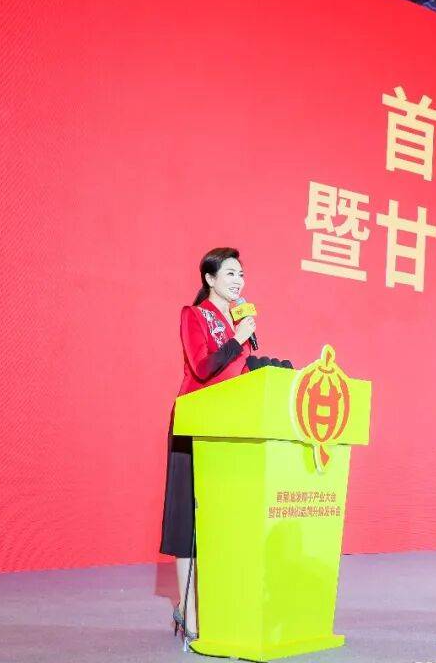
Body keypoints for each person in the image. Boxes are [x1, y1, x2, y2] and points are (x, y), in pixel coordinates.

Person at [160, 247, 256, 649]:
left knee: (223, 516)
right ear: (210, 279)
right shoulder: (194, 315)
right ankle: (188, 609)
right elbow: (203, 367)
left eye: (241, 274)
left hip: (231, 426)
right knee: (189, 518)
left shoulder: (238, 320)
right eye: (230, 273)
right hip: (196, 422)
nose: (238, 281)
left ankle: (223, 603)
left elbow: (241, 373)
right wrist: (237, 339)